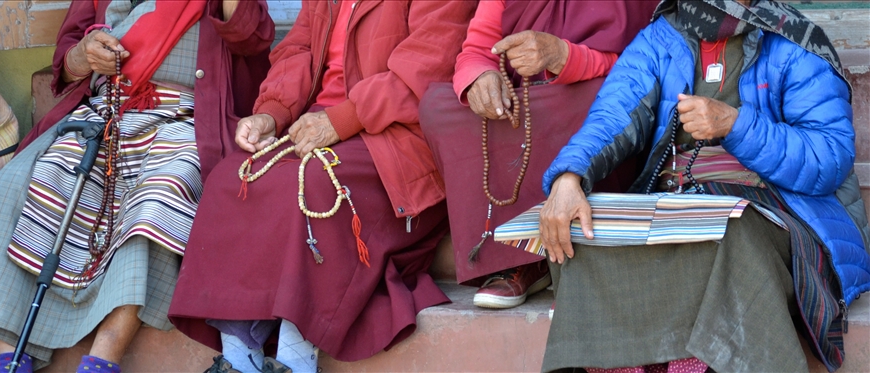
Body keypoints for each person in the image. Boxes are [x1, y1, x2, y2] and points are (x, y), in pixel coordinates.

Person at [0, 1, 273, 372]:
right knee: (7, 190)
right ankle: (8, 356)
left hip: (186, 116)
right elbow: (68, 59)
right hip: (105, 113)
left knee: (161, 199)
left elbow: (252, 38)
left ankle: (103, 358)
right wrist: (84, 55)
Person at [537, 0, 870, 371]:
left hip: (773, 207)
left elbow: (828, 158)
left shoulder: (792, 39)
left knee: (730, 233)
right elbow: (613, 114)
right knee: (582, 235)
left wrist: (736, 126)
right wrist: (570, 175)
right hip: (674, 201)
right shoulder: (661, 38)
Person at [166, 1, 476, 372]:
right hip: (321, 127)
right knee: (233, 178)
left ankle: (297, 360)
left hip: (398, 138)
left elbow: (426, 67)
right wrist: (272, 113)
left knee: (318, 182)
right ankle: (238, 358)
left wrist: (342, 119)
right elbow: (299, 49)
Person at [421, 0, 658, 309]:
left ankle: (553, 257)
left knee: (600, 101)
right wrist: (480, 76)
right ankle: (513, 255)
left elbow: (641, 70)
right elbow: (477, 51)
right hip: (518, 108)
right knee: (437, 107)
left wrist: (566, 57)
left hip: (578, 105)